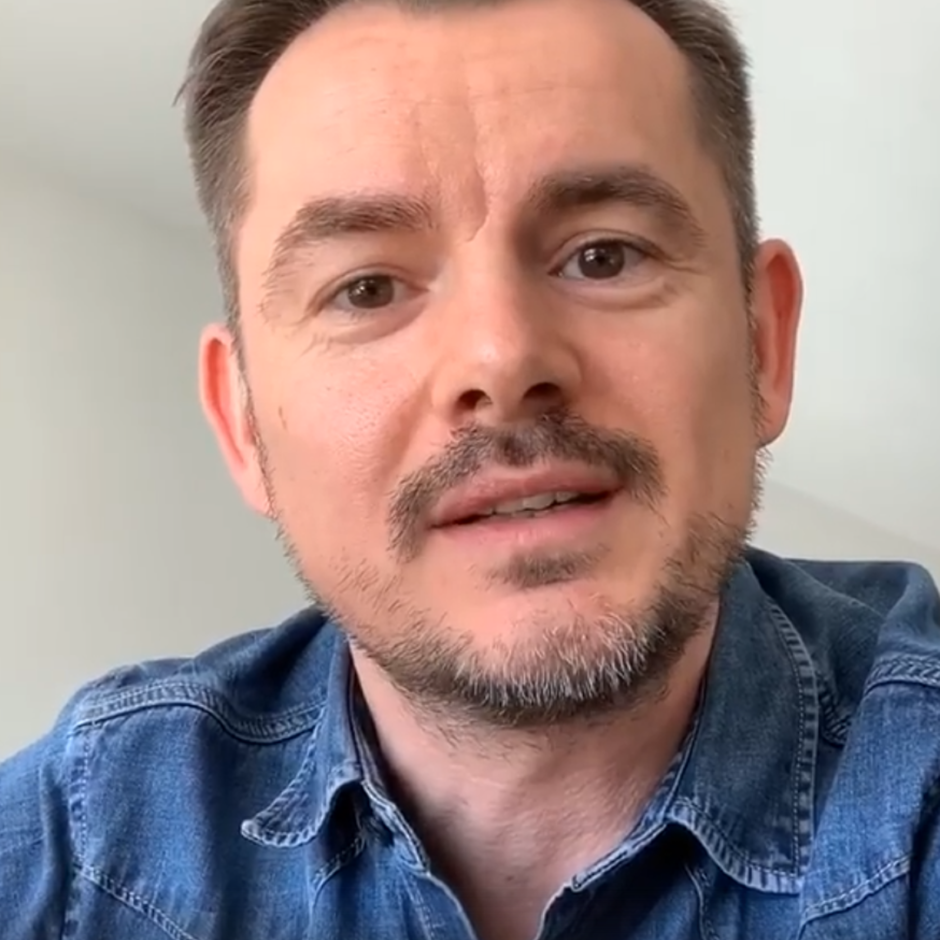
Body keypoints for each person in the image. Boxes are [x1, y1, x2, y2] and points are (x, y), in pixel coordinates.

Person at [3, 0, 940, 937]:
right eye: (367, 288)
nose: (502, 358)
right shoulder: (82, 846)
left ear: (763, 344)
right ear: (244, 422)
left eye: (603, 257)